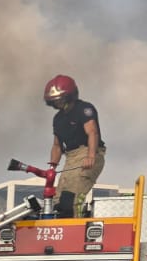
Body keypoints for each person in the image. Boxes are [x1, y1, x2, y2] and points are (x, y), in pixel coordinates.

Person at [44, 74, 105, 218]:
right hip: (70, 158)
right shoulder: (58, 119)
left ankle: (76, 231)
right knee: (59, 202)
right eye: (55, 101)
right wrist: (52, 167)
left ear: (70, 96)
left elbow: (92, 132)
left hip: (88, 152)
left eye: (60, 100)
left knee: (71, 201)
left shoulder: (84, 109)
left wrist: (91, 156)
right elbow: (57, 145)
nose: (58, 103)